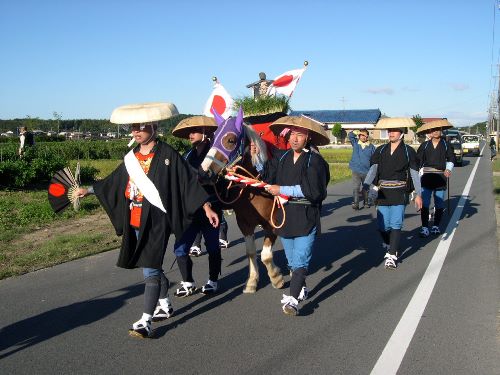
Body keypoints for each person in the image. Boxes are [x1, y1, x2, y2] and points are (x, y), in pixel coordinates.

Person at [75, 103, 219, 338]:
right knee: (150, 266)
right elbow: (112, 183)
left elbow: (187, 183)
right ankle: (165, 303)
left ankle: (145, 320)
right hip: (135, 220)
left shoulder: (167, 155)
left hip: (157, 221)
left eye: (141, 127)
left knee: (150, 270)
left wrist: (206, 206)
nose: (136, 131)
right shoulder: (131, 158)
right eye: (133, 127)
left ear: (153, 127)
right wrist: (88, 190)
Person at [261, 116, 330, 316]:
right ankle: (301, 287)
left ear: (308, 138)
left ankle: (292, 300)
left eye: (300, 135)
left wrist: (282, 189)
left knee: (301, 261)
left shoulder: (314, 160)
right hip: (286, 215)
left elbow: (314, 190)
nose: (295, 139)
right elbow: (268, 178)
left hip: (306, 215)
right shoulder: (282, 158)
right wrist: (258, 161)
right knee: (292, 262)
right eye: (292, 134)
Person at [170, 116, 223, 296]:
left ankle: (213, 280)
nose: (190, 135)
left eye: (193, 131)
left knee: (213, 247)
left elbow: (212, 179)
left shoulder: (216, 155)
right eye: (188, 133)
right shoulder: (188, 155)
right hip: (191, 210)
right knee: (180, 248)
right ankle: (188, 282)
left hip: (212, 208)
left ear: (205, 132)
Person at [362, 119, 423, 270]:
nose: (391, 133)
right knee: (383, 226)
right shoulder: (380, 150)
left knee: (396, 224)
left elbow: (415, 174)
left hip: (400, 191)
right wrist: (365, 185)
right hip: (383, 192)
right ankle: (391, 245)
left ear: (402, 133)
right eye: (389, 131)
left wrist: (418, 194)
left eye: (394, 130)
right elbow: (373, 170)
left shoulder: (409, 151)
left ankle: (392, 255)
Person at [415, 121, 455, 237]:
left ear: (441, 130)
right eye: (433, 130)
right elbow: (418, 161)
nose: (435, 131)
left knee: (439, 202)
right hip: (427, 177)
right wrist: (415, 173)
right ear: (429, 132)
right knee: (425, 203)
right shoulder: (425, 145)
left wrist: (448, 169)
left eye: (438, 129)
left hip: (440, 177)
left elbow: (451, 158)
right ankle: (424, 227)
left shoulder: (446, 145)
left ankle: (436, 225)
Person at [348, 129, 376, 209]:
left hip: (367, 171)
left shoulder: (371, 146)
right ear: (359, 136)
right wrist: (355, 131)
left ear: (367, 136)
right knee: (356, 188)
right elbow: (350, 135)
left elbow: (374, 158)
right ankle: (356, 203)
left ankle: (366, 201)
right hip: (356, 170)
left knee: (366, 188)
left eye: (365, 136)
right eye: (361, 135)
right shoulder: (355, 143)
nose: (363, 137)